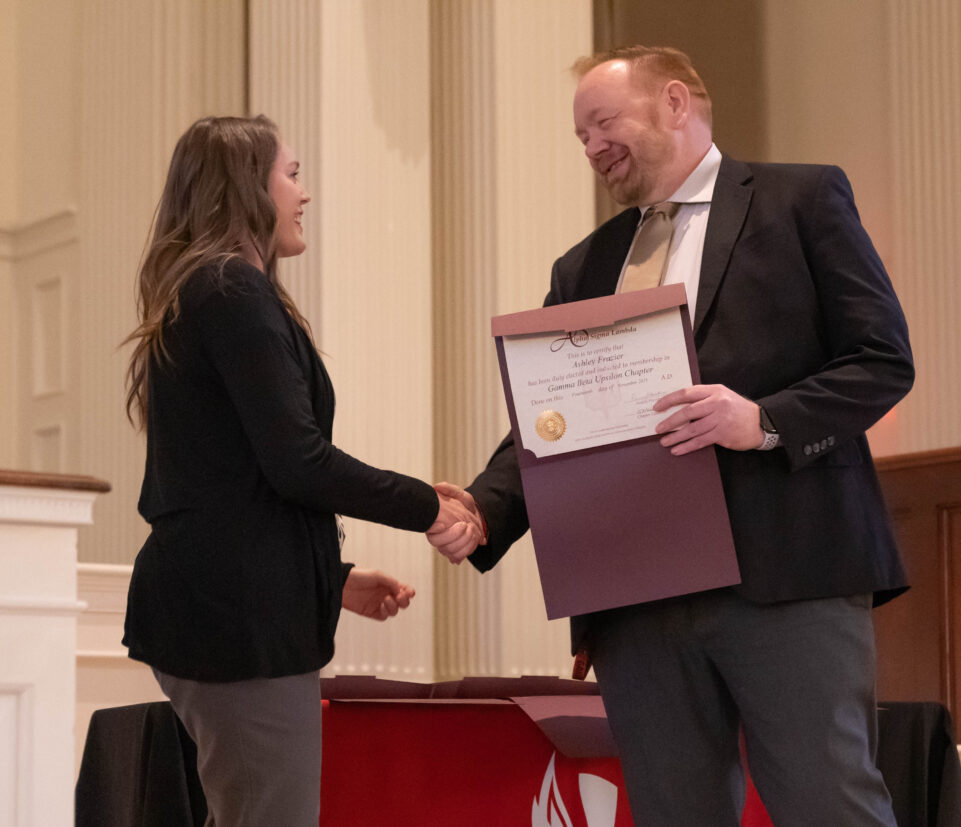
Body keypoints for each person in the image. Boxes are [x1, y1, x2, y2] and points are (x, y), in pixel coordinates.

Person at [428, 47, 914, 826]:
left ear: (676, 103)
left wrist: (762, 420)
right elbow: (552, 422)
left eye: (603, 122)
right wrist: (487, 507)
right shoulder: (583, 266)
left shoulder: (802, 199)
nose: (590, 147)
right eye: (579, 135)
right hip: (637, 602)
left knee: (831, 806)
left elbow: (883, 360)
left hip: (786, 577)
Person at [122, 114, 479, 826]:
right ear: (243, 190)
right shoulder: (230, 290)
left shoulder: (211, 291)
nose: (303, 193)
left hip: (221, 606)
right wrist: (427, 507)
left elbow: (230, 478)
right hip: (237, 624)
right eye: (291, 174)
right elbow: (298, 462)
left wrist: (333, 580)